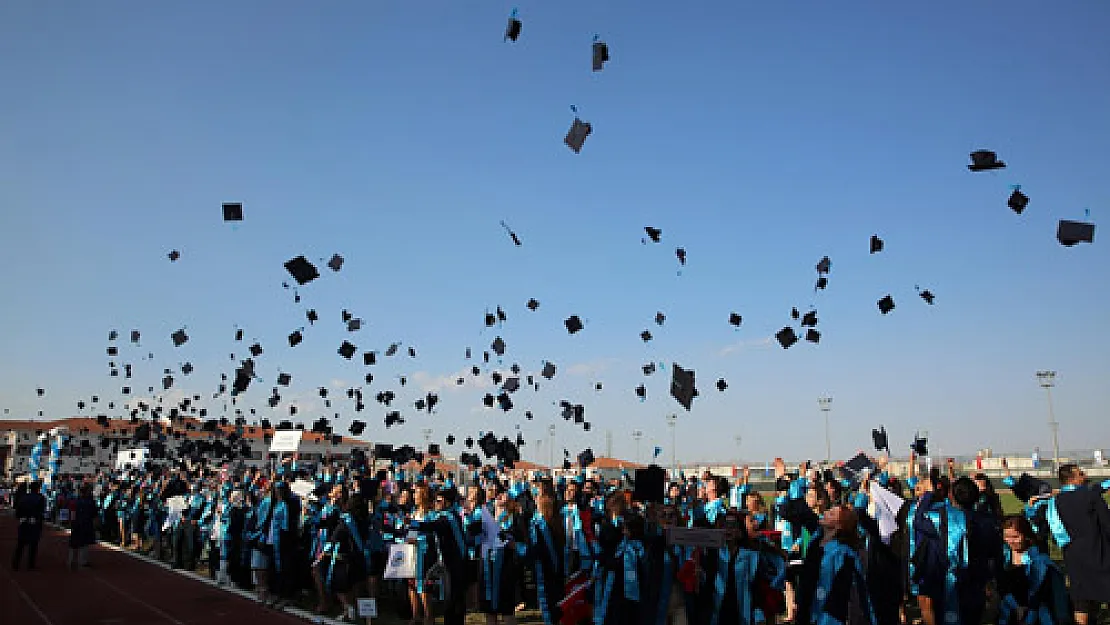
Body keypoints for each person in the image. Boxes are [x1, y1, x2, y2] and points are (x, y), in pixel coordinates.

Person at [1046, 464, 1110, 625]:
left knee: (1081, 599)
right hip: (1099, 552)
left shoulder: (1055, 502)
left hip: (1073, 556)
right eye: (1081, 473)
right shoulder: (1091, 497)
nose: (1085, 475)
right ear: (1072, 478)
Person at [12, 480, 47, 571]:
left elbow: (17, 511)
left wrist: (21, 518)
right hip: (34, 523)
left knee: (21, 544)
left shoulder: (23, 497)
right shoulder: (41, 498)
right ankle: (30, 564)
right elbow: (41, 512)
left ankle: (16, 563)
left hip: (23, 522)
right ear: (38, 489)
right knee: (33, 545)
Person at [70, 483, 97, 570]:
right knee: (84, 543)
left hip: (77, 523)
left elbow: (73, 513)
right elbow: (94, 515)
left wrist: (72, 522)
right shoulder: (91, 502)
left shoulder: (76, 501)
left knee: (74, 542)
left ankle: (71, 560)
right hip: (86, 524)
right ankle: (83, 561)